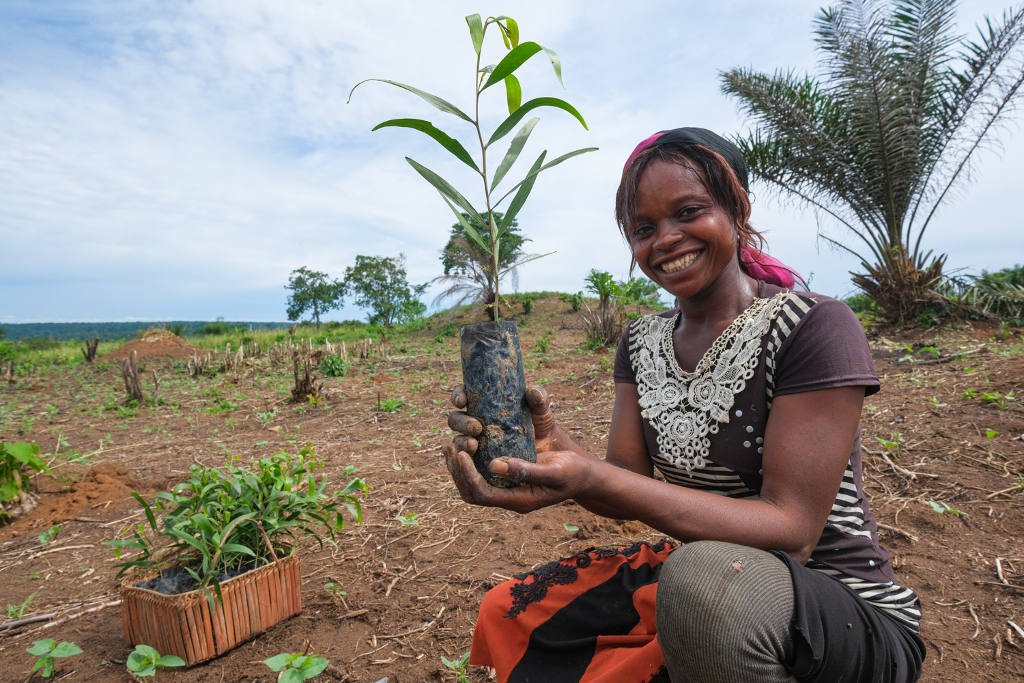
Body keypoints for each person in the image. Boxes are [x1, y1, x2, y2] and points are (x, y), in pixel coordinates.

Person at [443, 127, 926, 682]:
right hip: (705, 582)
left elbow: (794, 530)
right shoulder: (642, 341)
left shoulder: (812, 326)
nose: (665, 239)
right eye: (643, 229)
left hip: (834, 606)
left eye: (689, 211)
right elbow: (625, 482)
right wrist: (551, 446)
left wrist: (592, 480)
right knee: (513, 611)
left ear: (736, 211)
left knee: (700, 591)